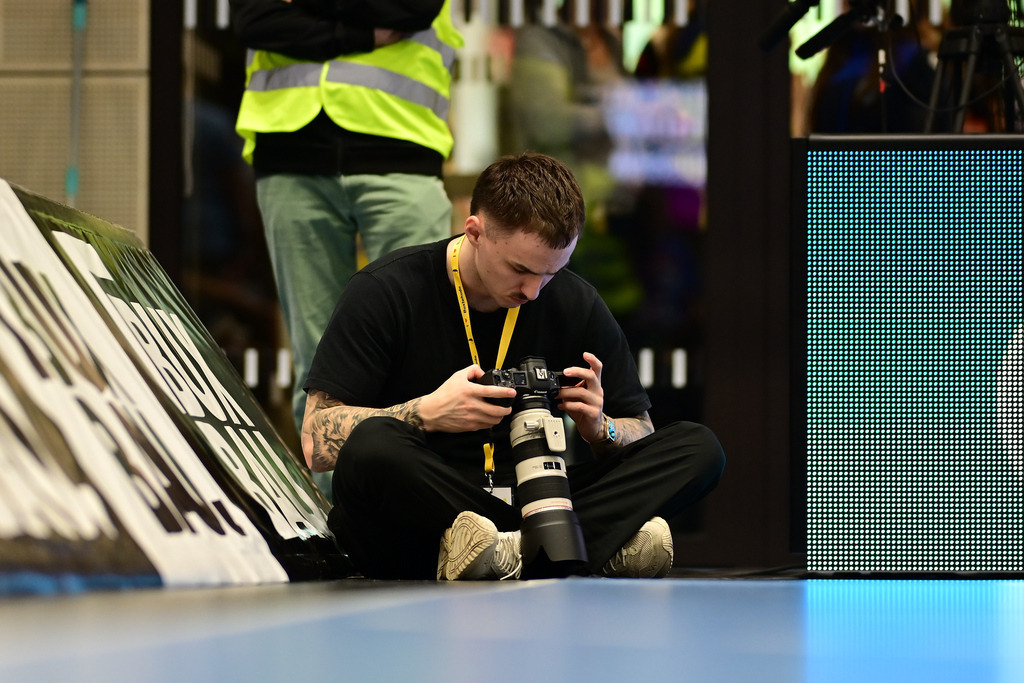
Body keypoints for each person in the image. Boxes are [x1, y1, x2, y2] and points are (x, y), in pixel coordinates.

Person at [301, 153, 725, 580]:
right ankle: (576, 548)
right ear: (475, 232)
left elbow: (642, 432)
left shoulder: (574, 302)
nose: (534, 291)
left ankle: (510, 552)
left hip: (540, 500)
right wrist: (428, 413)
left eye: (551, 274)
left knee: (698, 448)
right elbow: (316, 441)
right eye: (520, 269)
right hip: (427, 508)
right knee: (373, 444)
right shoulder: (387, 290)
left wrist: (602, 427)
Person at [230, 0, 464, 457]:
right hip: (291, 157)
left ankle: (422, 511)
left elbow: (412, 9)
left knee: (419, 352)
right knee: (316, 362)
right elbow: (252, 20)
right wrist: (361, 33)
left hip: (401, 149)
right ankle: (341, 519)